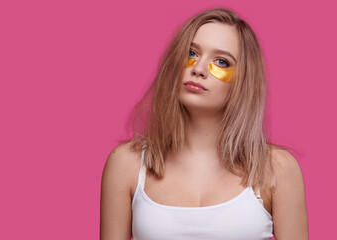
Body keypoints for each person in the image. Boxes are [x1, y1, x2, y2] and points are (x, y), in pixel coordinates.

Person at [100, 8, 308, 240]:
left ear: (243, 82)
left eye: (221, 61)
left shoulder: (277, 170)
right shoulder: (126, 164)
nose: (198, 69)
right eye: (191, 53)